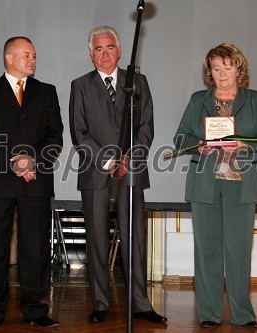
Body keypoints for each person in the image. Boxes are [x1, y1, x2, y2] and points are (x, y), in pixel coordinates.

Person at [173, 43, 257, 329]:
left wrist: (246, 145)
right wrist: (200, 147)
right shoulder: (198, 100)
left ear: (239, 69)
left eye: (227, 67)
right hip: (205, 184)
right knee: (207, 251)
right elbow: (180, 138)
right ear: (210, 71)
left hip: (242, 186)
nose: (222, 74)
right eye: (216, 68)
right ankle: (209, 314)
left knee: (239, 251)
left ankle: (243, 313)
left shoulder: (254, 99)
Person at [69, 26, 167, 324]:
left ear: (120, 50)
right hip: (95, 173)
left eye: (109, 47)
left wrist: (129, 158)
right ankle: (100, 303)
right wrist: (108, 161)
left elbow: (146, 126)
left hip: (131, 172)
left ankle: (140, 303)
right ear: (90, 54)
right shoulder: (80, 86)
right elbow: (79, 132)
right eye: (98, 49)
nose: (104, 53)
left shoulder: (137, 81)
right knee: (97, 241)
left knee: (134, 238)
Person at [0, 36, 63, 329]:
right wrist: (15, 160)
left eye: (34, 55)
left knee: (35, 247)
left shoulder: (47, 92)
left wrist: (31, 160)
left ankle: (36, 310)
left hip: (36, 180)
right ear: (8, 58)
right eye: (26, 55)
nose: (33, 60)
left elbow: (55, 134)